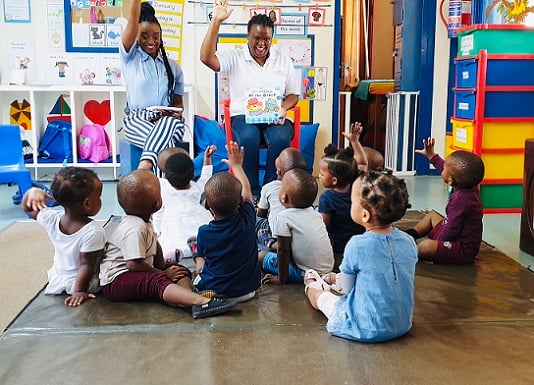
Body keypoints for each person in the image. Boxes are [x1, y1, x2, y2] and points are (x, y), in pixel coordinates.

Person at [99, 170, 237, 319]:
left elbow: (155, 245)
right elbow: (134, 265)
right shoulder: (134, 228)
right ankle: (200, 302)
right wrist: (162, 273)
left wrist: (164, 266)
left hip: (138, 270)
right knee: (156, 281)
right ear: (157, 204)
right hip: (116, 280)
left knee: (180, 270)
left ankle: (187, 298)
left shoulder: (144, 218)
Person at [200, 2, 301, 198]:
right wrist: (216, 22)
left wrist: (283, 108)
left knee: (280, 138)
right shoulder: (235, 57)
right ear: (248, 37)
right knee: (248, 138)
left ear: (272, 39)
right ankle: (252, 194)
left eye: (267, 39)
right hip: (243, 116)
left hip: (274, 116)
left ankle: (271, 192)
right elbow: (206, 58)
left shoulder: (283, 59)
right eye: (256, 38)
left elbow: (293, 95)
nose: (261, 44)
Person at [304, 170, 417, 343]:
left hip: (364, 326)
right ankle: (333, 278)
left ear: (365, 215)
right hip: (401, 324)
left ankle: (312, 284)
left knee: (321, 298)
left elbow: (349, 291)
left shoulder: (357, 245)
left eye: (352, 201)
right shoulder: (409, 241)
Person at [21, 167, 105, 307]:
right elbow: (86, 266)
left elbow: (27, 209)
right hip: (83, 283)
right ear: (87, 203)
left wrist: (31, 192)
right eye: (99, 197)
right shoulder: (92, 232)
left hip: (58, 279)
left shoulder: (52, 218)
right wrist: (79, 291)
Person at [120, 0, 186, 173]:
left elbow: (179, 104)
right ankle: (165, 194)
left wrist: (176, 113)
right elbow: (133, 21)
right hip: (138, 119)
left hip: (170, 121)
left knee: (165, 125)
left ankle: (143, 171)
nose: (151, 41)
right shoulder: (130, 58)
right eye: (144, 36)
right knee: (164, 147)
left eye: (156, 36)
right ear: (136, 36)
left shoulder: (173, 67)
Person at [193, 142, 262, 302]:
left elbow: (205, 258)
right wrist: (237, 166)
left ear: (207, 205)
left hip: (215, 290)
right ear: (240, 202)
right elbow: (247, 192)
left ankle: (204, 297)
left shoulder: (204, 232)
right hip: (248, 290)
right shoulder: (247, 219)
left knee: (197, 263)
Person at [404, 137, 485, 264]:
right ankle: (409, 235)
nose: (443, 168)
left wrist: (437, 242)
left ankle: (405, 250)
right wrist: (432, 156)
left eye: (445, 169)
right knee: (431, 216)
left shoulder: (460, 201)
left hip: (462, 248)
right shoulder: (466, 184)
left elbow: (451, 229)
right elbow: (446, 169)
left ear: (451, 180)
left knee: (425, 246)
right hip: (453, 230)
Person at [261, 168, 334, 285]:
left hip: (307, 274)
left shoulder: (284, 218)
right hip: (327, 270)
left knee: (261, 256)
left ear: (284, 198)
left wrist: (281, 278)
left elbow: (283, 251)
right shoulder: (315, 214)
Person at [154, 146, 215, 267]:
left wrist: (157, 231)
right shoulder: (196, 187)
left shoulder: (162, 186)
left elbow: (159, 212)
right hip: (199, 218)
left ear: (165, 176)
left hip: (174, 222)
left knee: (164, 243)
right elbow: (206, 177)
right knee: (204, 237)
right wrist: (207, 158)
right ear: (192, 175)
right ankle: (199, 251)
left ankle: (176, 253)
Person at [318, 122, 368, 267]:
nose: (319, 177)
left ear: (334, 180)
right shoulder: (358, 186)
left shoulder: (327, 199)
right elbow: (363, 163)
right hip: (360, 243)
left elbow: (323, 227)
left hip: (339, 248)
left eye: (321, 174)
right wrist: (355, 141)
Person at [256, 147, 308, 251]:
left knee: (256, 220)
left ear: (278, 172)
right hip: (301, 232)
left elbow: (261, 213)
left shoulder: (269, 187)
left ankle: (268, 243)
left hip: (276, 234)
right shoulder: (306, 187)